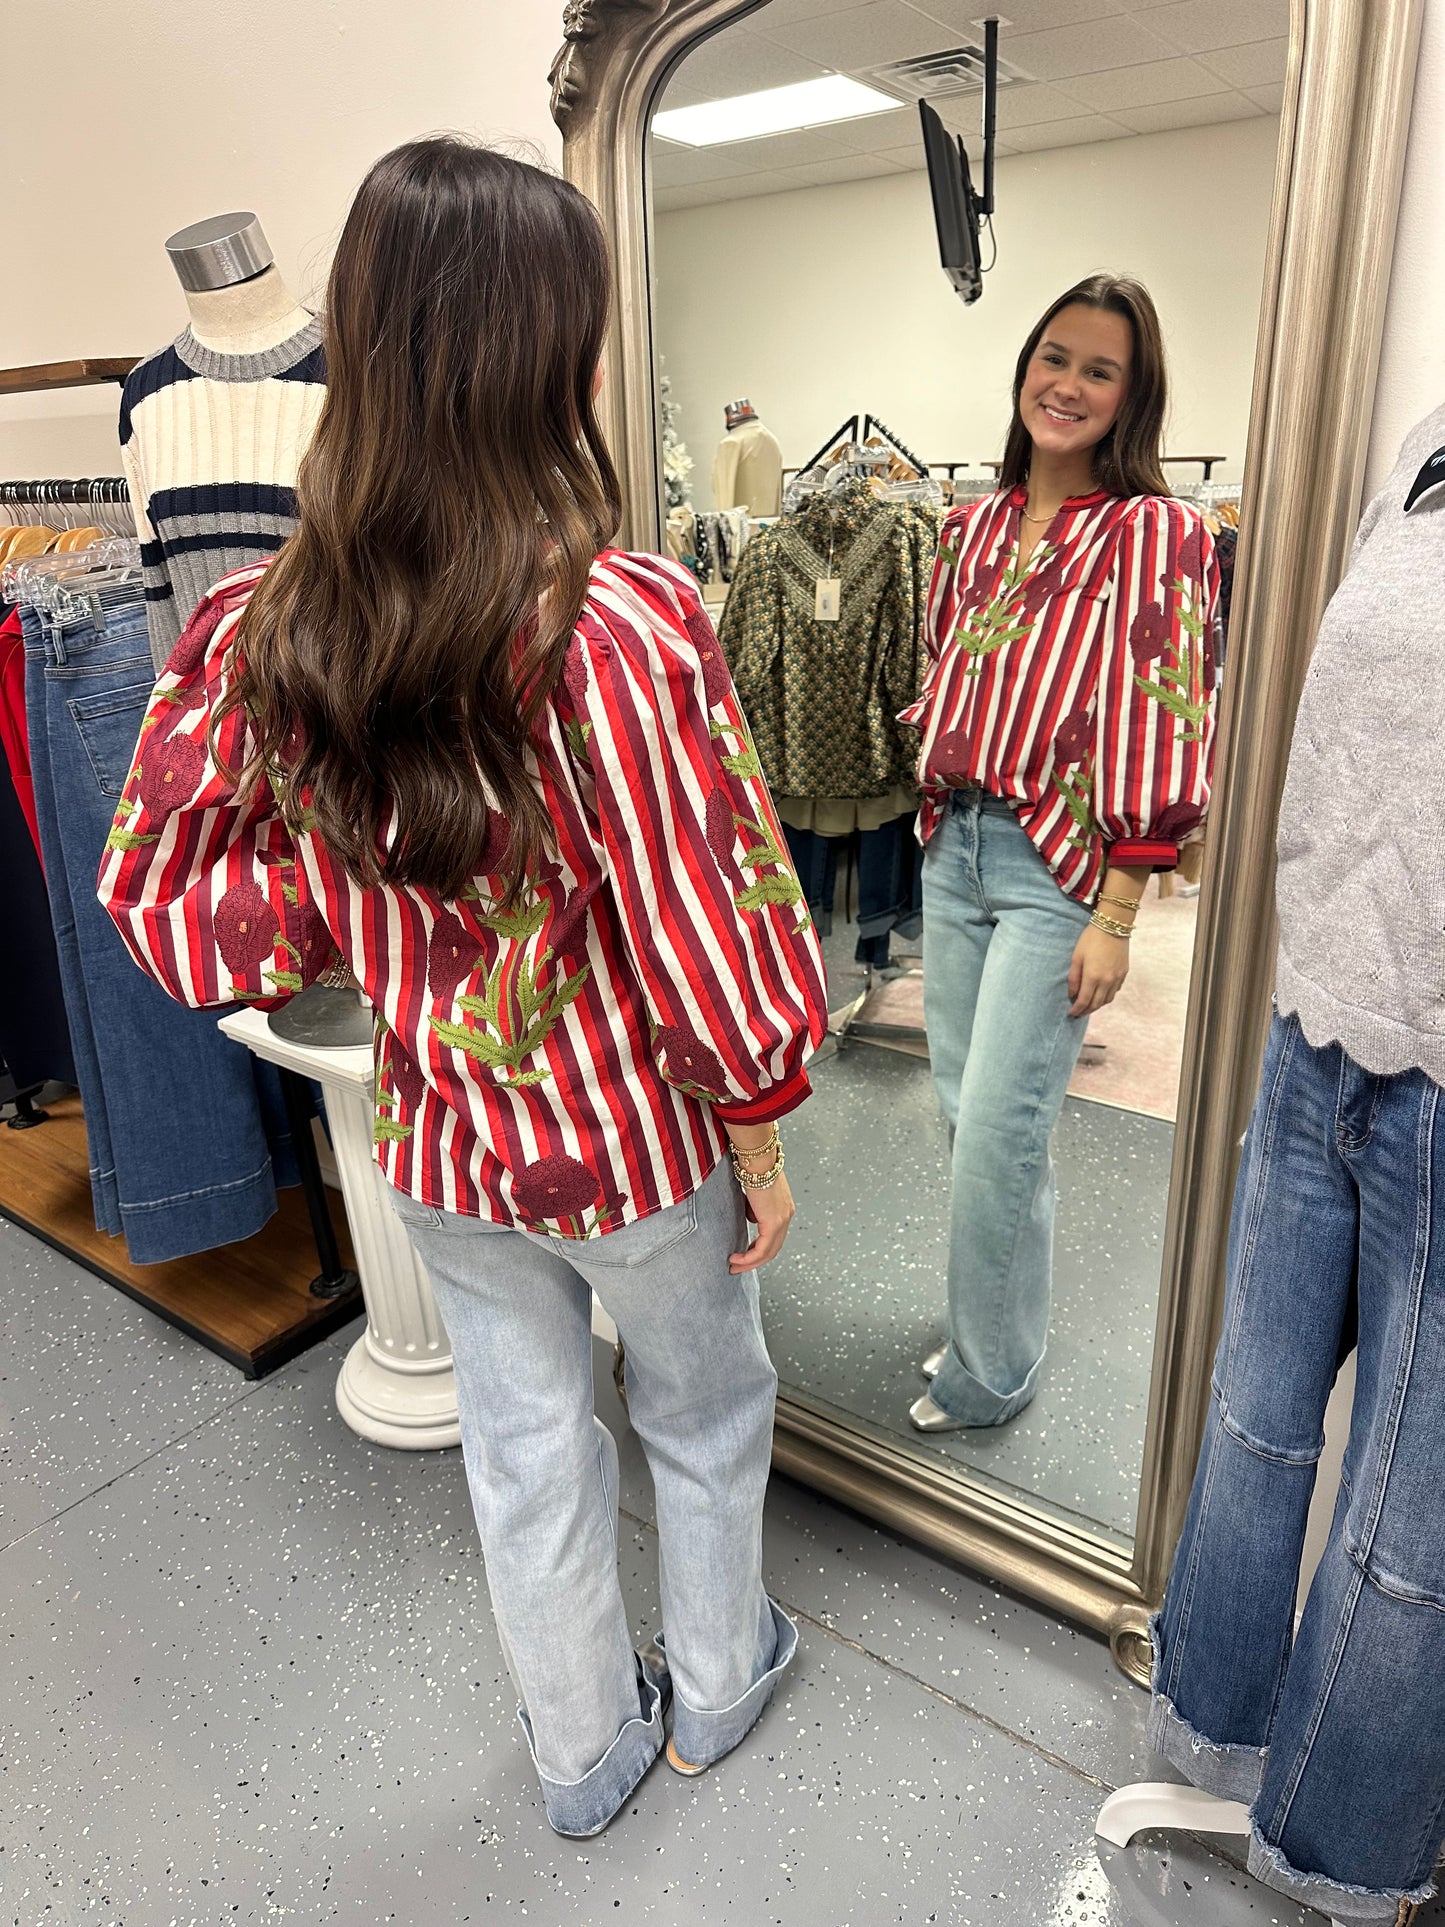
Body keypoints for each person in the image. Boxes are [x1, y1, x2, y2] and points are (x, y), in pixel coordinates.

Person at [97, 137, 828, 1838]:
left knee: (521, 1445)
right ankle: (719, 1684)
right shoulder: (625, 624)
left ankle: (582, 1756)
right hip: (636, 1145)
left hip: (441, 1143)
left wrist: (344, 884)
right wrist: (768, 1134)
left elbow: (157, 901)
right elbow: (711, 920)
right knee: (704, 1406)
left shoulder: (278, 626)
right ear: (544, 353)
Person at [1149, 401, 1445, 1927]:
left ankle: (1340, 1853)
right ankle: (1210, 1725)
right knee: (1257, 1422)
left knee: (1408, 1533)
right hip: (1318, 1015)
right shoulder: (1420, 441)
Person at [901, 273, 1219, 1433]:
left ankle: (989, 1373)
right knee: (968, 1116)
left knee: (997, 1133)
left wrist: (1119, 912)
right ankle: (995, 1322)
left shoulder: (1160, 533)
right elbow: (945, 672)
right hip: (956, 847)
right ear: (1023, 366)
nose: (1068, 384)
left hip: (1055, 868)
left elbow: (1165, 709)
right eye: (1054, 356)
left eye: (1100, 370)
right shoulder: (967, 524)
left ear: (1132, 398)